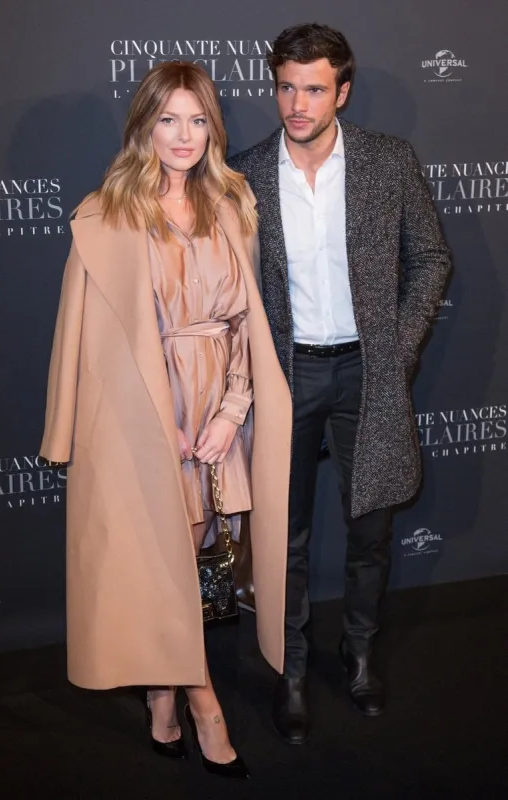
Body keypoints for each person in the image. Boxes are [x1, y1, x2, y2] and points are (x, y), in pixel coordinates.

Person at [40, 61, 292, 778]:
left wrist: (232, 412)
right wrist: (151, 423)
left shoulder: (232, 204)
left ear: (211, 128)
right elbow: (82, 337)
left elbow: (247, 323)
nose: (183, 135)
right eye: (167, 119)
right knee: (165, 562)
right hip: (141, 419)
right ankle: (204, 704)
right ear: (143, 126)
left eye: (196, 119)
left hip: (218, 412)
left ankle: (160, 698)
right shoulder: (106, 215)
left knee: (198, 557)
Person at [228, 23, 451, 744]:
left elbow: (431, 260)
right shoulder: (245, 173)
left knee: (370, 527)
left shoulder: (388, 161)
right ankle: (290, 670)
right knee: (281, 537)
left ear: (341, 92)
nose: (296, 103)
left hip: (366, 369)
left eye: (313, 89)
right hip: (284, 373)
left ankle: (357, 657)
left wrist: (398, 349)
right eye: (286, 87)